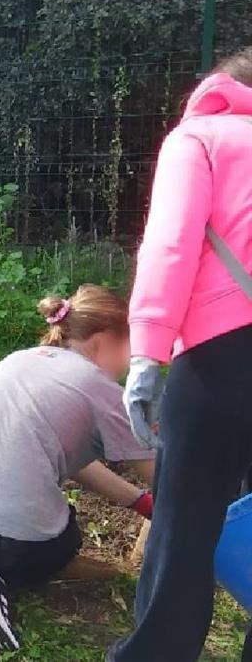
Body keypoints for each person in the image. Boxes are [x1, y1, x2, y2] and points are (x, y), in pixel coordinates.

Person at [0, 285, 155, 652]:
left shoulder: (21, 359)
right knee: (64, 541)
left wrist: (136, 501)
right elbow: (160, 474)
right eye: (130, 350)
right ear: (104, 340)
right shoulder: (100, 388)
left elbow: (75, 462)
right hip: (9, 540)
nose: (129, 364)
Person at [111, 50, 252, 662]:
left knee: (186, 519)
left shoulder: (199, 138)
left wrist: (146, 355)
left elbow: (172, 242)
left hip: (224, 353)